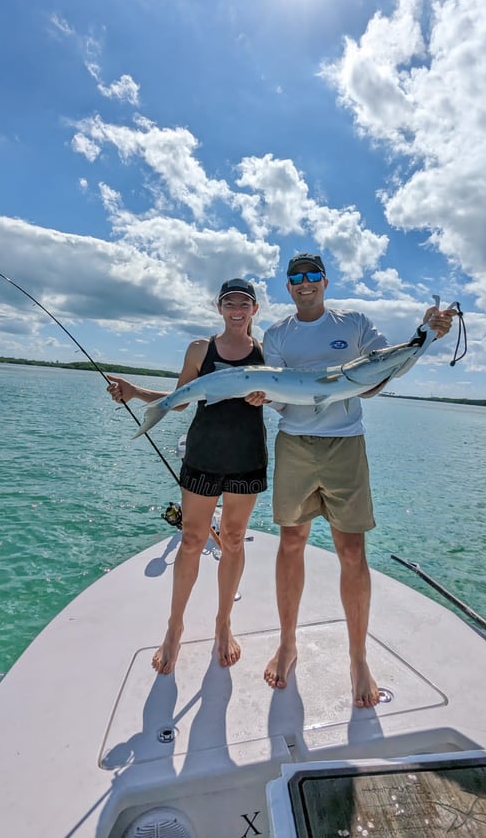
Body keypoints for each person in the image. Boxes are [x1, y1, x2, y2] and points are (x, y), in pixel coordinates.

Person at [246, 253, 455, 708]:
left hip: (346, 444)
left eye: (312, 275)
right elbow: (281, 399)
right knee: (291, 544)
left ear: (325, 280)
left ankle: (358, 657)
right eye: (295, 277)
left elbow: (387, 368)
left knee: (353, 552)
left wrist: (424, 338)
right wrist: (267, 396)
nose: (304, 283)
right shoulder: (276, 335)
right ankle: (287, 643)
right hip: (295, 444)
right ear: (288, 286)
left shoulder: (355, 323)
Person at [107, 278, 267, 675]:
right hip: (203, 455)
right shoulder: (200, 349)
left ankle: (223, 622)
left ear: (254, 310)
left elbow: (280, 396)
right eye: (229, 302)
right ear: (219, 308)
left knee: (232, 540)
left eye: (243, 303)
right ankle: (175, 627)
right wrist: (134, 391)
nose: (236, 308)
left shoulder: (267, 352)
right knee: (193, 539)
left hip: (247, 456)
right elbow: (177, 404)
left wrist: (266, 395)